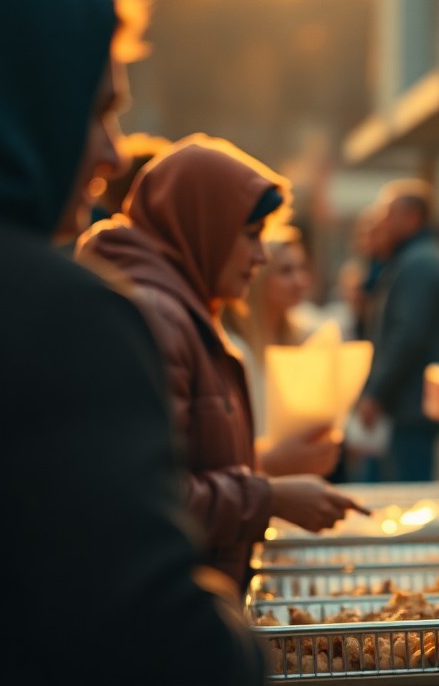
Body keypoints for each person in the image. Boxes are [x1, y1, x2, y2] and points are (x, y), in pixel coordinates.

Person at [0, 0, 261, 683]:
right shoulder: (59, 317)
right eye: (97, 113)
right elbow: (155, 640)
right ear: (12, 108)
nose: (115, 154)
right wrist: (241, 646)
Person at [79, 133, 364, 589]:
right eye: (251, 236)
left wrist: (268, 465)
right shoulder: (159, 318)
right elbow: (149, 497)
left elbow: (191, 458)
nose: (260, 257)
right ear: (202, 226)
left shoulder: (186, 311)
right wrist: (269, 495)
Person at [354, 179, 439, 481]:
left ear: (412, 217)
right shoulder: (419, 258)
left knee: (408, 494)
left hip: (412, 407)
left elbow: (407, 336)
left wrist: (375, 394)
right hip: (413, 403)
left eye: (389, 215)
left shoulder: (419, 264)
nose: (382, 223)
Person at [222, 224, 341, 477]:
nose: (300, 280)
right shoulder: (235, 346)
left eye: (302, 268)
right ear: (258, 277)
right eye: (285, 271)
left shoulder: (306, 335)